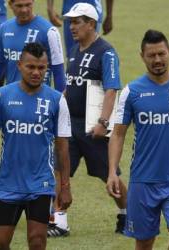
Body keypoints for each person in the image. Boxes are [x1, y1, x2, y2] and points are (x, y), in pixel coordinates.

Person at [0, 42, 72, 250]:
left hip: (41, 184)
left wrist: (65, 187)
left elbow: (62, 146)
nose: (37, 72)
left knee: (37, 241)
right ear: (19, 65)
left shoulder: (57, 100)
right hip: (8, 183)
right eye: (31, 67)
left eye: (42, 68)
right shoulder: (1, 96)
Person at [47, 3, 127, 237]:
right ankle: (59, 221)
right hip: (70, 125)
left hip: (93, 128)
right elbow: (70, 86)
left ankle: (127, 214)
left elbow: (112, 89)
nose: (71, 27)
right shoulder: (75, 49)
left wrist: (103, 123)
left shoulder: (106, 52)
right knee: (61, 172)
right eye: (70, 22)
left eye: (76, 22)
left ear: (91, 24)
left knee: (110, 176)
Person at [107, 29, 169, 250]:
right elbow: (118, 133)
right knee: (144, 242)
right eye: (151, 55)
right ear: (142, 56)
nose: (157, 60)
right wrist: (113, 171)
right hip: (142, 180)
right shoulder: (131, 91)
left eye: (161, 54)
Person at [0, 0, 66, 117]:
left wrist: (61, 106)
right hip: (12, 102)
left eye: (28, 5)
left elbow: (58, 72)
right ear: (10, 5)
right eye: (19, 6)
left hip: (40, 103)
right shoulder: (4, 29)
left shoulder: (49, 31)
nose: (24, 10)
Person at [47, 0, 114, 58]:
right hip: (70, 8)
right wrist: (50, 8)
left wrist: (109, 16)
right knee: (72, 55)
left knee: (90, 54)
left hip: (92, 9)